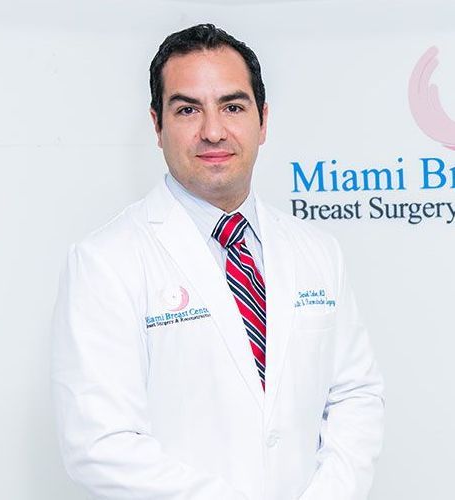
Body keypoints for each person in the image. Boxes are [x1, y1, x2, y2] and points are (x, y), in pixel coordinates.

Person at [51, 23, 385, 500]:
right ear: (157, 124)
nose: (213, 130)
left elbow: (355, 395)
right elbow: (99, 444)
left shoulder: (317, 251)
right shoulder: (105, 262)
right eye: (188, 109)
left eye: (232, 106)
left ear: (263, 119)